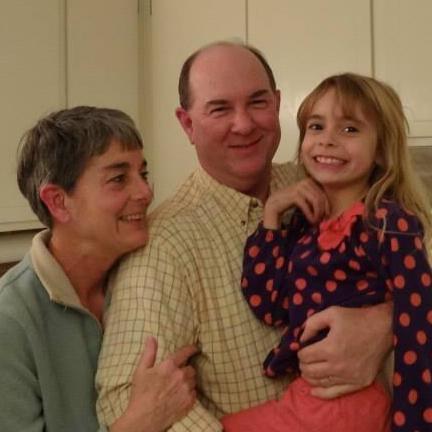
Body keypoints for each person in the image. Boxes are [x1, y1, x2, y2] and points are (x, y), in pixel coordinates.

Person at [96, 42, 393, 431]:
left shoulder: (325, 180)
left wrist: (386, 321)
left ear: (277, 104)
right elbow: (123, 401)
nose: (244, 124)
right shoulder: (162, 247)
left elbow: (417, 260)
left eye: (257, 102)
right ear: (187, 124)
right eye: (220, 109)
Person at [221, 73, 432, 431]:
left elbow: (419, 320)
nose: (327, 140)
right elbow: (269, 305)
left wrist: (412, 425)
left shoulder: (388, 223)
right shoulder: (306, 226)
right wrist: (272, 215)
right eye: (316, 127)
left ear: (382, 150)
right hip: (312, 397)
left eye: (349, 129)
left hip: (347, 402)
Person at [0, 106, 197, 432]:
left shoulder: (147, 271)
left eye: (143, 174)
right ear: (58, 201)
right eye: (119, 179)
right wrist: (141, 421)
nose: (145, 193)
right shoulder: (9, 321)